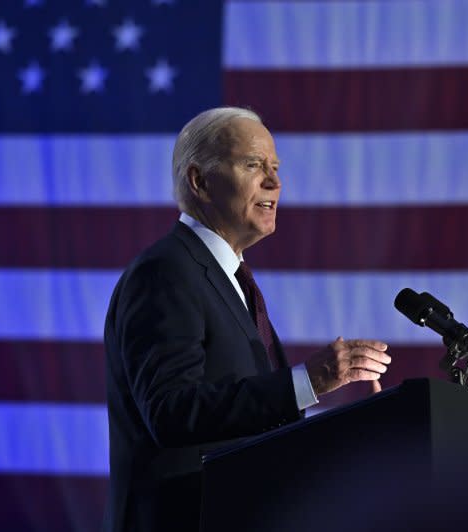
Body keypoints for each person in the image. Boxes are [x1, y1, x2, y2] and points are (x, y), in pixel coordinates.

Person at [102, 107, 392, 532]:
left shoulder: (232, 280)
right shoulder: (166, 271)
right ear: (200, 181)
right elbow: (169, 410)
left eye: (275, 167)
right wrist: (307, 381)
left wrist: (347, 428)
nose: (274, 181)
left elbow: (251, 422)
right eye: (254, 165)